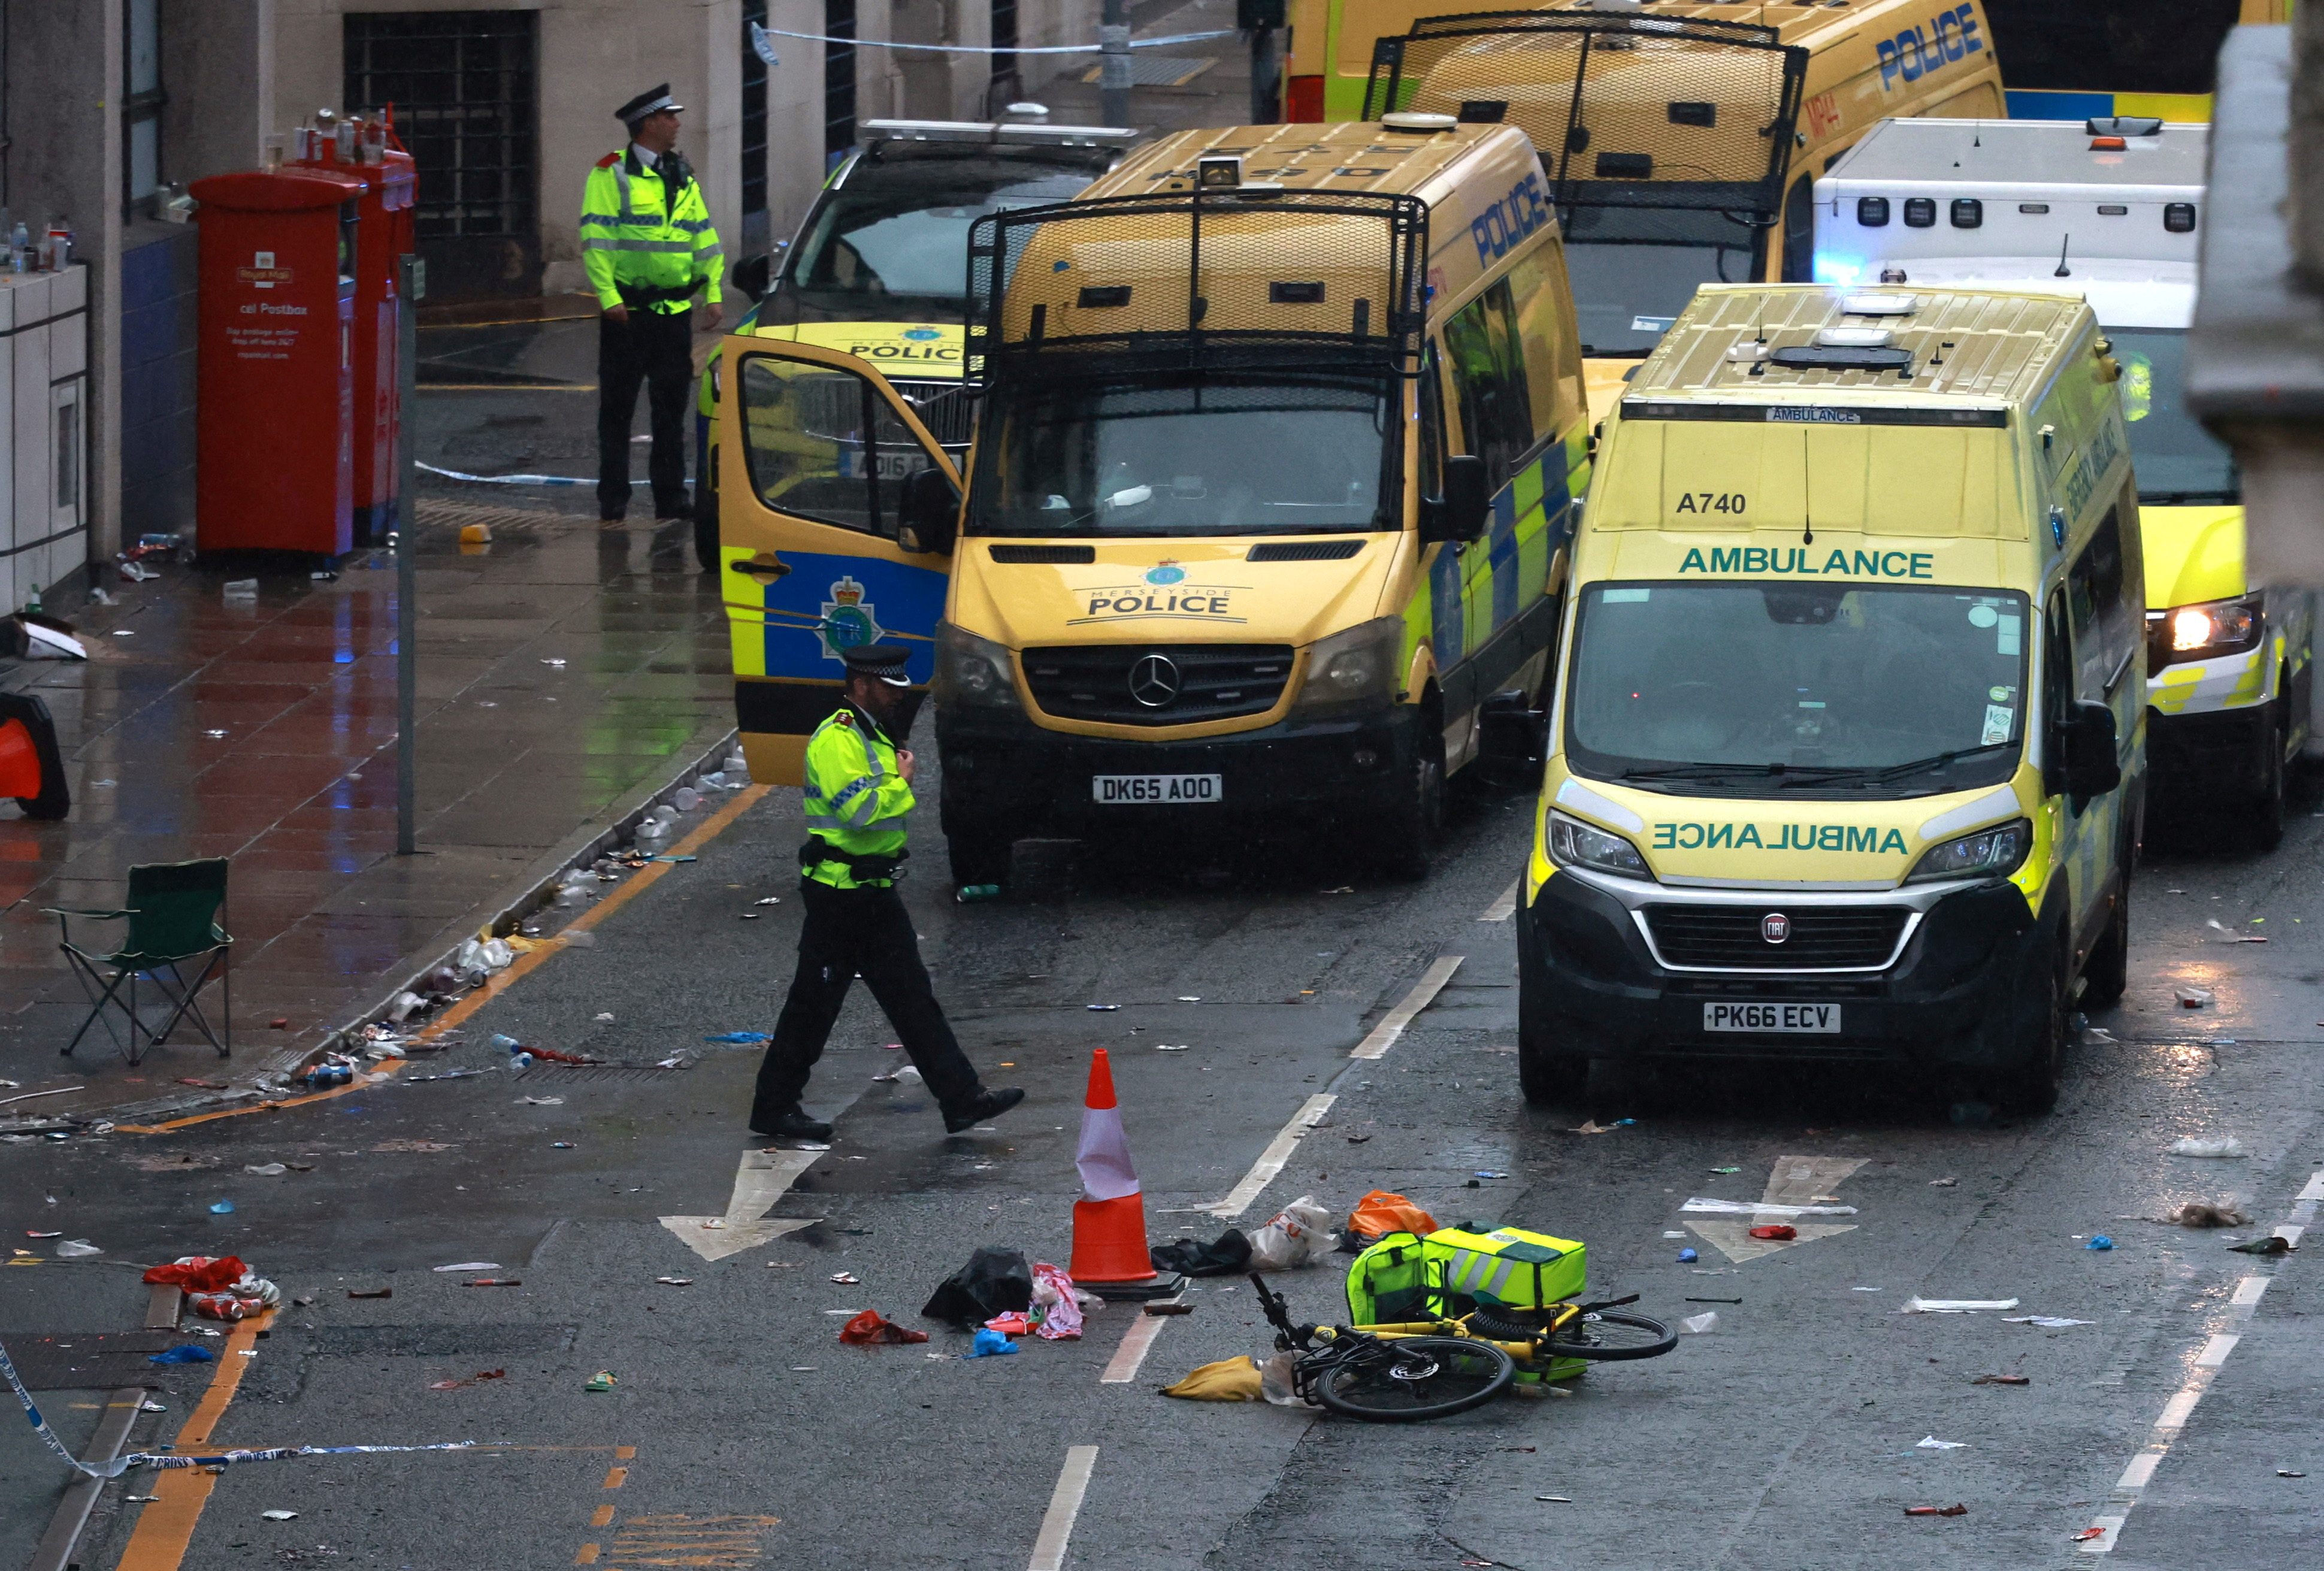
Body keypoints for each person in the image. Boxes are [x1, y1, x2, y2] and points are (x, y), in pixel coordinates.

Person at [751, 644, 1025, 1139]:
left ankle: (961, 1099)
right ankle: (773, 1107)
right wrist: (903, 782)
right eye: (888, 687)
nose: (897, 695)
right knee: (813, 1005)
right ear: (860, 685)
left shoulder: (869, 733)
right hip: (840, 894)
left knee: (913, 1000)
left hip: (871, 890)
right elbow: (859, 812)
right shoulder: (838, 738)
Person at [582, 84, 724, 523]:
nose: (678, 123)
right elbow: (597, 241)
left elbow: (702, 236)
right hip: (629, 314)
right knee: (618, 411)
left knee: (671, 411)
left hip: (673, 315)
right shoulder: (611, 174)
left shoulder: (682, 173)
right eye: (670, 117)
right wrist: (609, 297)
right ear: (649, 124)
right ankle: (614, 500)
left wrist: (713, 291)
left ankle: (670, 498)